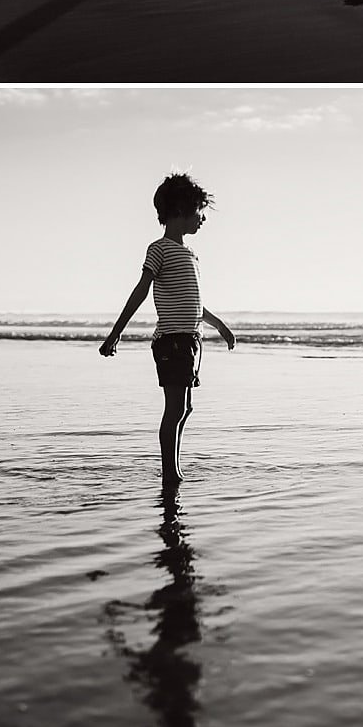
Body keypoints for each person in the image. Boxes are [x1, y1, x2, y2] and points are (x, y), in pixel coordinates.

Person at [99, 171, 234, 497]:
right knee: (174, 408)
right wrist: (115, 334)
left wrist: (219, 326)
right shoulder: (159, 249)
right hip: (172, 340)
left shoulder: (190, 254)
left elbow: (193, 301)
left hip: (192, 340)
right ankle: (170, 472)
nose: (202, 219)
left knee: (185, 408)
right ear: (179, 211)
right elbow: (141, 291)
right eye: (198, 212)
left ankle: (173, 465)